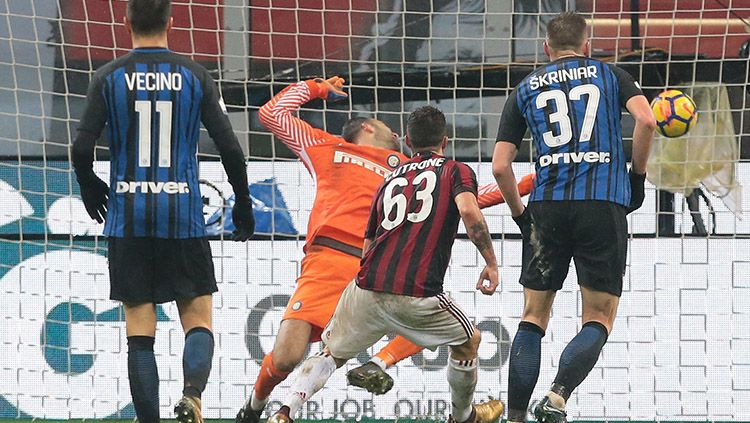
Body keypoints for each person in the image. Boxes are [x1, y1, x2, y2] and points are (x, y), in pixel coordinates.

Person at [236, 76, 533, 422]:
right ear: (365, 126)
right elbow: (272, 114)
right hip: (328, 261)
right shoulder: (326, 146)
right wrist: (316, 88)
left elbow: (469, 198)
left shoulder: (405, 170)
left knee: (423, 314)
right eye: (383, 123)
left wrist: (527, 182)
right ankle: (255, 408)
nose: (393, 131)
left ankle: (370, 370)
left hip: (380, 263)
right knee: (287, 357)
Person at [72, 1, 255, 422]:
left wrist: (89, 184)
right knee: (198, 320)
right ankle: (192, 395)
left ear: (127, 22)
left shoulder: (108, 77)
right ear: (172, 23)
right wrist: (242, 204)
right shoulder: (195, 76)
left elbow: (82, 148)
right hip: (183, 219)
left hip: (128, 220)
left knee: (140, 335)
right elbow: (231, 149)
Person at [491, 11, 656, 423]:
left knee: (533, 316)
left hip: (547, 207)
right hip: (602, 204)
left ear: (547, 49)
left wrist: (520, 215)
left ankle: (514, 419)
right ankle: (558, 395)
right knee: (598, 316)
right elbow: (647, 121)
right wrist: (636, 177)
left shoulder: (526, 87)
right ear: (587, 45)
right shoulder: (610, 74)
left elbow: (498, 166)